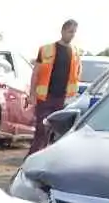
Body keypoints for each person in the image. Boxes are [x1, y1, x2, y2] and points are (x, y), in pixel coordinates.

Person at [29, 19, 82, 155]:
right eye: (70, 31)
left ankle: (45, 159)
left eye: (74, 32)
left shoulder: (75, 52)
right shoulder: (46, 49)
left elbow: (77, 75)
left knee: (56, 134)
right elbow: (36, 73)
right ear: (63, 31)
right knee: (41, 130)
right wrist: (32, 94)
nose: (72, 35)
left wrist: (72, 98)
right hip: (45, 98)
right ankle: (30, 159)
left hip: (63, 99)